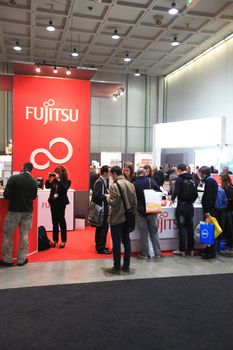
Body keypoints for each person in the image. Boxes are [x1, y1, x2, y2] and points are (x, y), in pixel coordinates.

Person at [0, 162, 38, 267]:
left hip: (14, 211)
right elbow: (34, 196)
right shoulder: (34, 182)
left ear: (22, 168)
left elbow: (6, 196)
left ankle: (7, 260)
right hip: (27, 211)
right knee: (24, 235)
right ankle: (22, 259)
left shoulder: (13, 178)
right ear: (31, 170)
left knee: (8, 235)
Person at [105, 166, 137, 274]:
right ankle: (126, 266)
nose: (110, 176)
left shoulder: (114, 186)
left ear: (114, 174)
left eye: (111, 174)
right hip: (127, 218)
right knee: (127, 242)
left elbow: (114, 202)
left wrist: (107, 198)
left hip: (117, 218)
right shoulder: (130, 184)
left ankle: (116, 267)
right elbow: (134, 202)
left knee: (117, 243)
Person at [133, 167, 162, 259]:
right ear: (145, 173)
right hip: (152, 209)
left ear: (137, 174)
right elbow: (159, 192)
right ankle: (157, 253)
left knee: (143, 233)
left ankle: (144, 253)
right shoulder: (151, 181)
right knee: (154, 232)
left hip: (140, 210)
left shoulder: (134, 184)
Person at [170, 164, 198, 257]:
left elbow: (176, 191)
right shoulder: (193, 179)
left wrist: (172, 199)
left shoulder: (179, 179)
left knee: (182, 227)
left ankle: (181, 250)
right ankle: (191, 249)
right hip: (190, 206)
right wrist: (191, 201)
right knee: (190, 228)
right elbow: (196, 194)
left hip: (181, 206)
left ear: (178, 170)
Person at [45, 165, 71, 248]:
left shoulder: (67, 181)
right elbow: (47, 186)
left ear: (62, 173)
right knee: (54, 222)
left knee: (61, 221)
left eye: (58, 172)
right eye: (56, 172)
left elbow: (64, 190)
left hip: (61, 203)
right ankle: (55, 240)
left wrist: (59, 180)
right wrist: (49, 178)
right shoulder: (54, 181)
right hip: (53, 202)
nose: (56, 174)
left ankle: (63, 241)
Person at [198, 166, 219, 259]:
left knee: (209, 231)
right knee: (208, 230)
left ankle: (211, 253)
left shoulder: (209, 181)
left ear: (203, 173)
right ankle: (208, 250)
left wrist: (207, 211)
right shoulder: (211, 180)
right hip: (211, 209)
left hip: (210, 210)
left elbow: (209, 197)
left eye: (200, 173)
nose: (199, 175)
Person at [91, 165, 111, 254]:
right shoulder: (100, 182)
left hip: (102, 208)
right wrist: (106, 196)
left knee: (101, 228)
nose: (110, 174)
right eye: (109, 172)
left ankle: (100, 246)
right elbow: (96, 195)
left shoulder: (102, 181)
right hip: (101, 209)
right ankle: (100, 247)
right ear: (105, 172)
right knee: (103, 228)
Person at [220, 174, 233, 252]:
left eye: (221, 180)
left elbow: (227, 202)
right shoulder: (230, 189)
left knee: (229, 228)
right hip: (229, 211)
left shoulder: (228, 191)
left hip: (228, 211)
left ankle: (229, 245)